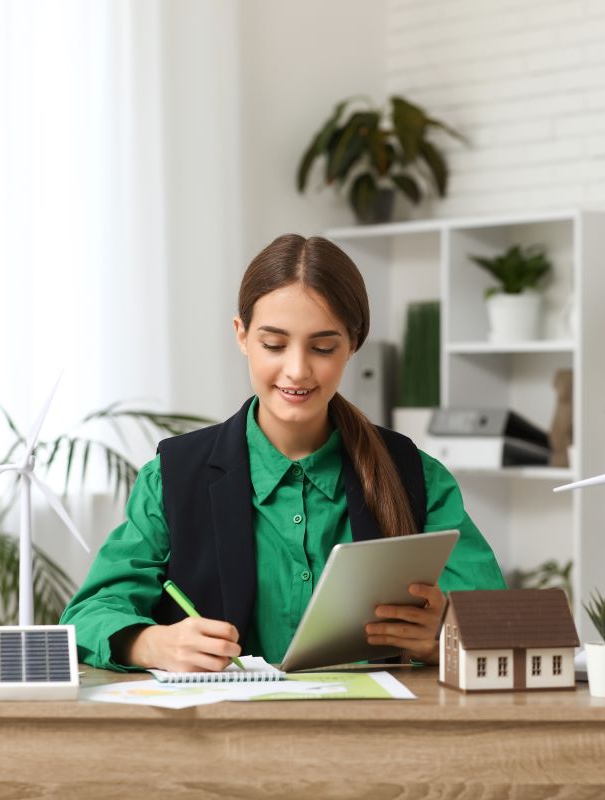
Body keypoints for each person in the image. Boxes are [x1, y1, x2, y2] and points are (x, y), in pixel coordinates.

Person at [60, 234, 505, 672]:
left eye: (323, 347)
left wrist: (442, 638)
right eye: (274, 345)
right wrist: (151, 643)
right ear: (242, 335)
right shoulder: (172, 478)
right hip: (222, 739)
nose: (297, 370)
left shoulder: (417, 478)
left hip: (373, 738)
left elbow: (501, 626)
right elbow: (87, 616)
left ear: (354, 344)